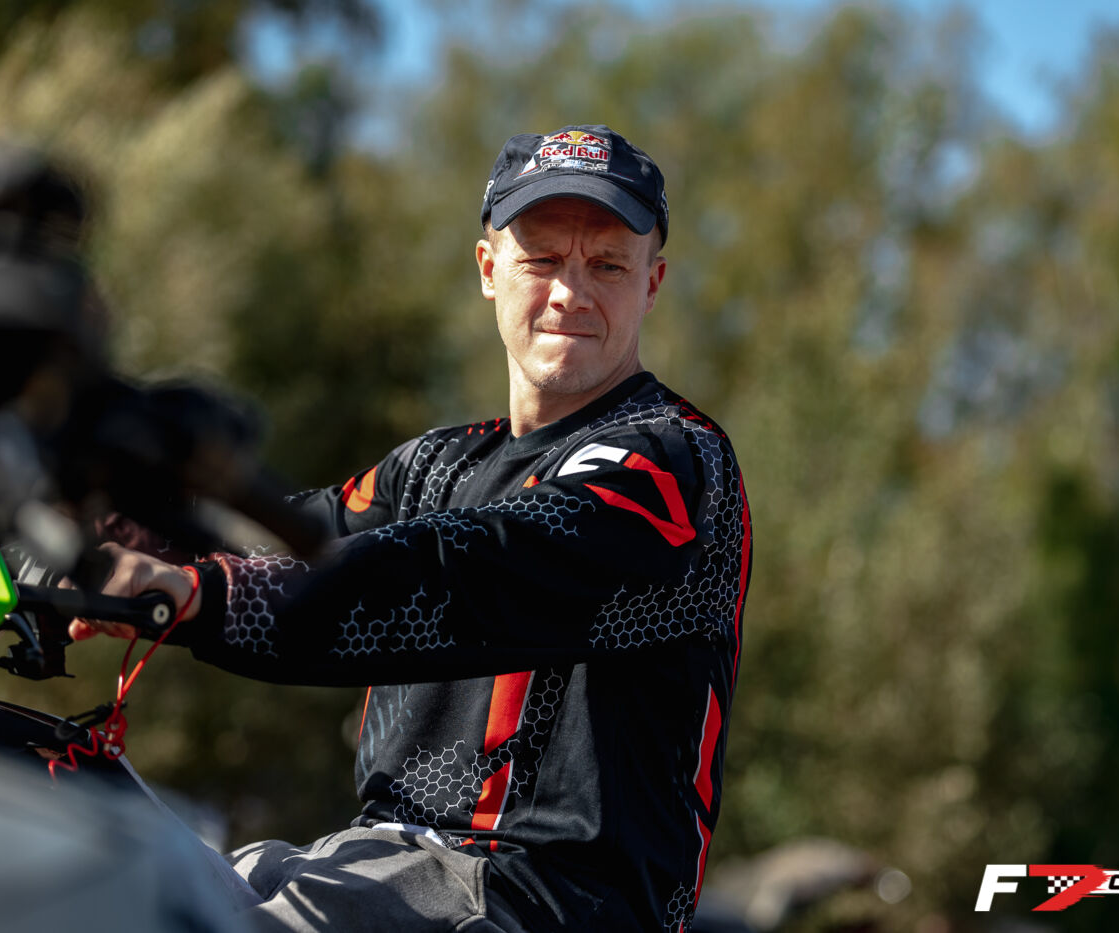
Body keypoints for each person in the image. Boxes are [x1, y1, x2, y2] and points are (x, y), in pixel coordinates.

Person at [74, 125, 752, 932]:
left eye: (607, 265)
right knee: (100, 877)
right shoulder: (435, 465)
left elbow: (474, 571)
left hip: (544, 896)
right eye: (542, 259)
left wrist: (204, 595)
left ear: (652, 284)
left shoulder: (674, 460)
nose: (571, 292)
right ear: (488, 269)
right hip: (371, 863)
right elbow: (289, 535)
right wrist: (100, 531)